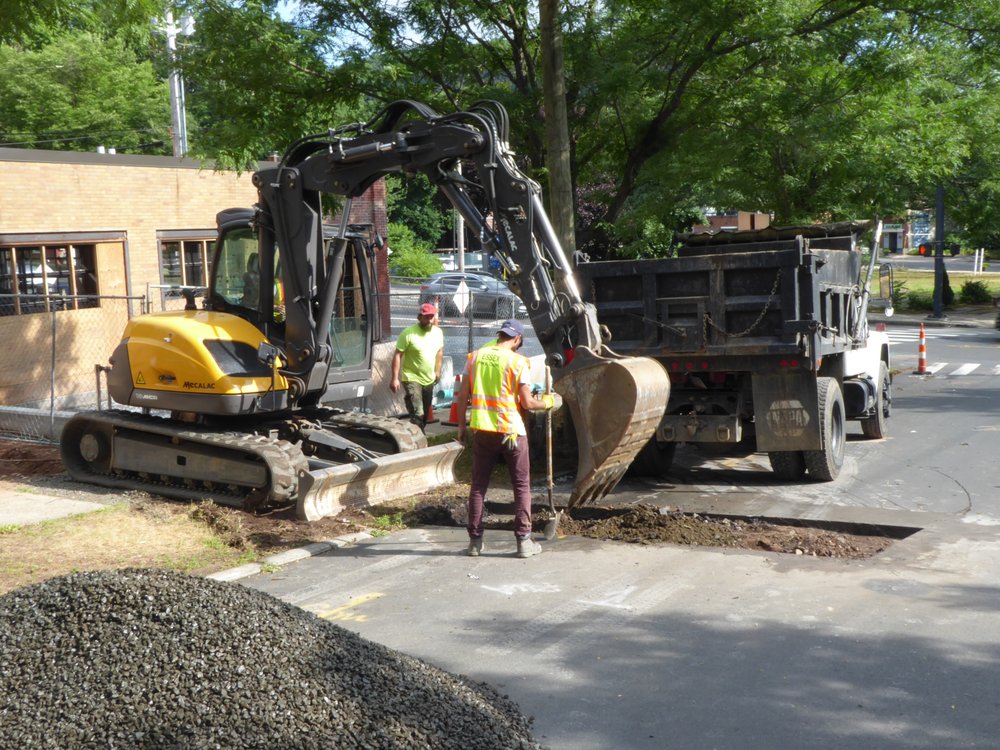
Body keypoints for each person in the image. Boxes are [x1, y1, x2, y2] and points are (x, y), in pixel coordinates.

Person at [454, 319, 556, 559]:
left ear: (499, 335)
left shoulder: (475, 357)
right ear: (517, 339)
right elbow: (528, 403)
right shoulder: (519, 362)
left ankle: (475, 544)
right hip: (511, 431)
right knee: (521, 486)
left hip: (482, 431)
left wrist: (461, 427)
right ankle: (523, 541)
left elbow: (461, 397)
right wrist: (550, 402)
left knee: (478, 486)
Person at [391, 302, 444, 430]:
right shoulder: (408, 333)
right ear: (419, 317)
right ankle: (419, 439)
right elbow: (398, 355)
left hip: (429, 378)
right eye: (426, 317)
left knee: (424, 413)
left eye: (432, 317)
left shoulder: (438, 332)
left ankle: (417, 433)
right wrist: (394, 378)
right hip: (411, 377)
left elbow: (439, 352)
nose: (430, 320)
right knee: (418, 412)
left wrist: (438, 371)